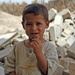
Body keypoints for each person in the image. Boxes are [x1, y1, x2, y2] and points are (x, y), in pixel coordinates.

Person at [4, 3, 60, 75]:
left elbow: (48, 70)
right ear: (23, 25)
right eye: (29, 24)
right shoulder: (18, 47)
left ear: (47, 24)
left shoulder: (49, 47)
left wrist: (39, 53)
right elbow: (9, 67)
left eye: (38, 24)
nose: (33, 28)